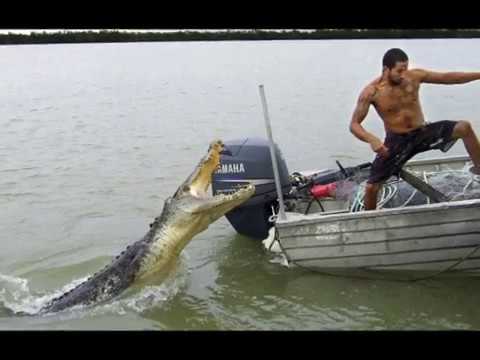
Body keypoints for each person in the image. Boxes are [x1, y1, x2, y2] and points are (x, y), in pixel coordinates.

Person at [350, 48, 480, 210]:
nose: (403, 74)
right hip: (397, 141)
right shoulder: (371, 92)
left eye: (406, 68)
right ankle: (368, 221)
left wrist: (478, 74)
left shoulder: (415, 76)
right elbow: (354, 124)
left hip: (422, 133)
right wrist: (372, 139)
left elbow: (449, 78)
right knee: (371, 188)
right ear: (386, 69)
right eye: (399, 70)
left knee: (464, 127)